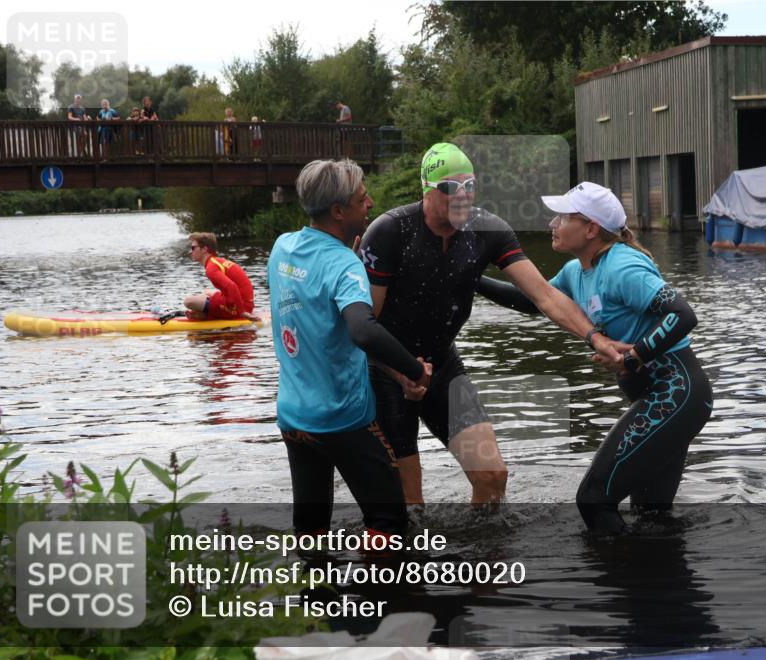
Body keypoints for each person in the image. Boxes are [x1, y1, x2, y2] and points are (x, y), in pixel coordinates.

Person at [358, 143, 623, 507]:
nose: (463, 195)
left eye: (470, 185)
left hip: (442, 364)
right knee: (409, 500)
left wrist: (595, 338)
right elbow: (364, 324)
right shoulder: (390, 231)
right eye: (451, 188)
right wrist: (401, 370)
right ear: (426, 190)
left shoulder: (487, 230)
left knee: (492, 477)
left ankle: (483, 554)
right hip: (386, 371)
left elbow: (543, 296)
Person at [476, 182, 713, 533]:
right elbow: (532, 301)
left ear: (590, 229)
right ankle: (657, 581)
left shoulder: (622, 267)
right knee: (652, 517)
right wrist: (471, 279)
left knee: (593, 500)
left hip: (676, 395)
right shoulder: (577, 271)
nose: (552, 225)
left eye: (562, 217)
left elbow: (682, 315)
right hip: (659, 400)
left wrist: (634, 357)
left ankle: (612, 579)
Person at [268, 158, 432, 541]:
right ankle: (385, 595)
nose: (371, 203)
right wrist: (413, 369)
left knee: (311, 529)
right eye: (362, 199)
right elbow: (362, 330)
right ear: (339, 211)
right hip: (341, 419)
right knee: (390, 525)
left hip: (293, 417)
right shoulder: (344, 265)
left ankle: (312, 597)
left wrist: (345, 260)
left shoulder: (282, 249)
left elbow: (312, 307)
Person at [184, 232, 258, 321]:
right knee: (206, 292)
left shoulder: (211, 269)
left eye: (193, 248)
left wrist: (242, 312)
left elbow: (232, 286)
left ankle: (204, 315)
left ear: (204, 249)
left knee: (188, 302)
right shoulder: (215, 261)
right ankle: (205, 313)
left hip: (240, 307)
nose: (190, 251)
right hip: (244, 302)